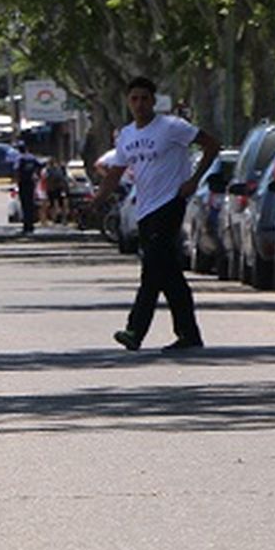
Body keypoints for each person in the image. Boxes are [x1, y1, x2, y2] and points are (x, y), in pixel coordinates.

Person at [91, 76, 219, 352]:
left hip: (171, 202)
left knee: (152, 269)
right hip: (145, 208)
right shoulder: (126, 135)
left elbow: (211, 145)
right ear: (128, 101)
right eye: (134, 98)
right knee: (169, 272)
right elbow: (116, 171)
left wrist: (194, 180)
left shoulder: (172, 127)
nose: (139, 104)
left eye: (144, 98)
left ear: (153, 101)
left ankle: (135, 330)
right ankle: (189, 333)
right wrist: (98, 199)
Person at [15, 140, 41, 234]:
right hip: (31, 183)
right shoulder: (32, 158)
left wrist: (17, 181)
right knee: (30, 204)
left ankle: (27, 226)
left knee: (25, 205)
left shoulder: (20, 158)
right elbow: (39, 166)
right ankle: (31, 225)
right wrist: (36, 176)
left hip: (23, 183)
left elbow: (17, 171)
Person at [43, 156, 71, 225]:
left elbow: (45, 179)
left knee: (54, 204)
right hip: (61, 188)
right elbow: (67, 178)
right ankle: (62, 219)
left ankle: (55, 219)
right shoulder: (61, 169)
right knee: (62, 203)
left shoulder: (48, 170)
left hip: (53, 188)